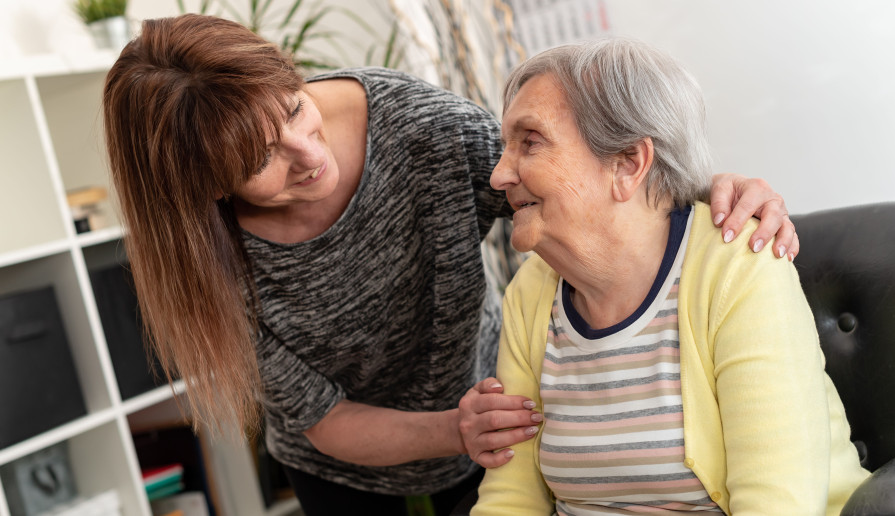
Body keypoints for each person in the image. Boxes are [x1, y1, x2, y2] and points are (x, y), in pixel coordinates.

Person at [102, 14, 801, 516]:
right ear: (210, 190)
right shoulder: (207, 257)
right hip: (346, 470)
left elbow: (565, 178)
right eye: (261, 160)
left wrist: (712, 190)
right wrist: (453, 428)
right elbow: (324, 417)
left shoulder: (417, 128)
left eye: (295, 108)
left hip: (489, 438)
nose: (308, 154)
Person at [471, 38, 869, 515]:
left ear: (627, 163)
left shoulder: (734, 268)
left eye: (529, 142)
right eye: (505, 147)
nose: (498, 175)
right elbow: (510, 499)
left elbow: (777, 504)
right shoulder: (531, 293)